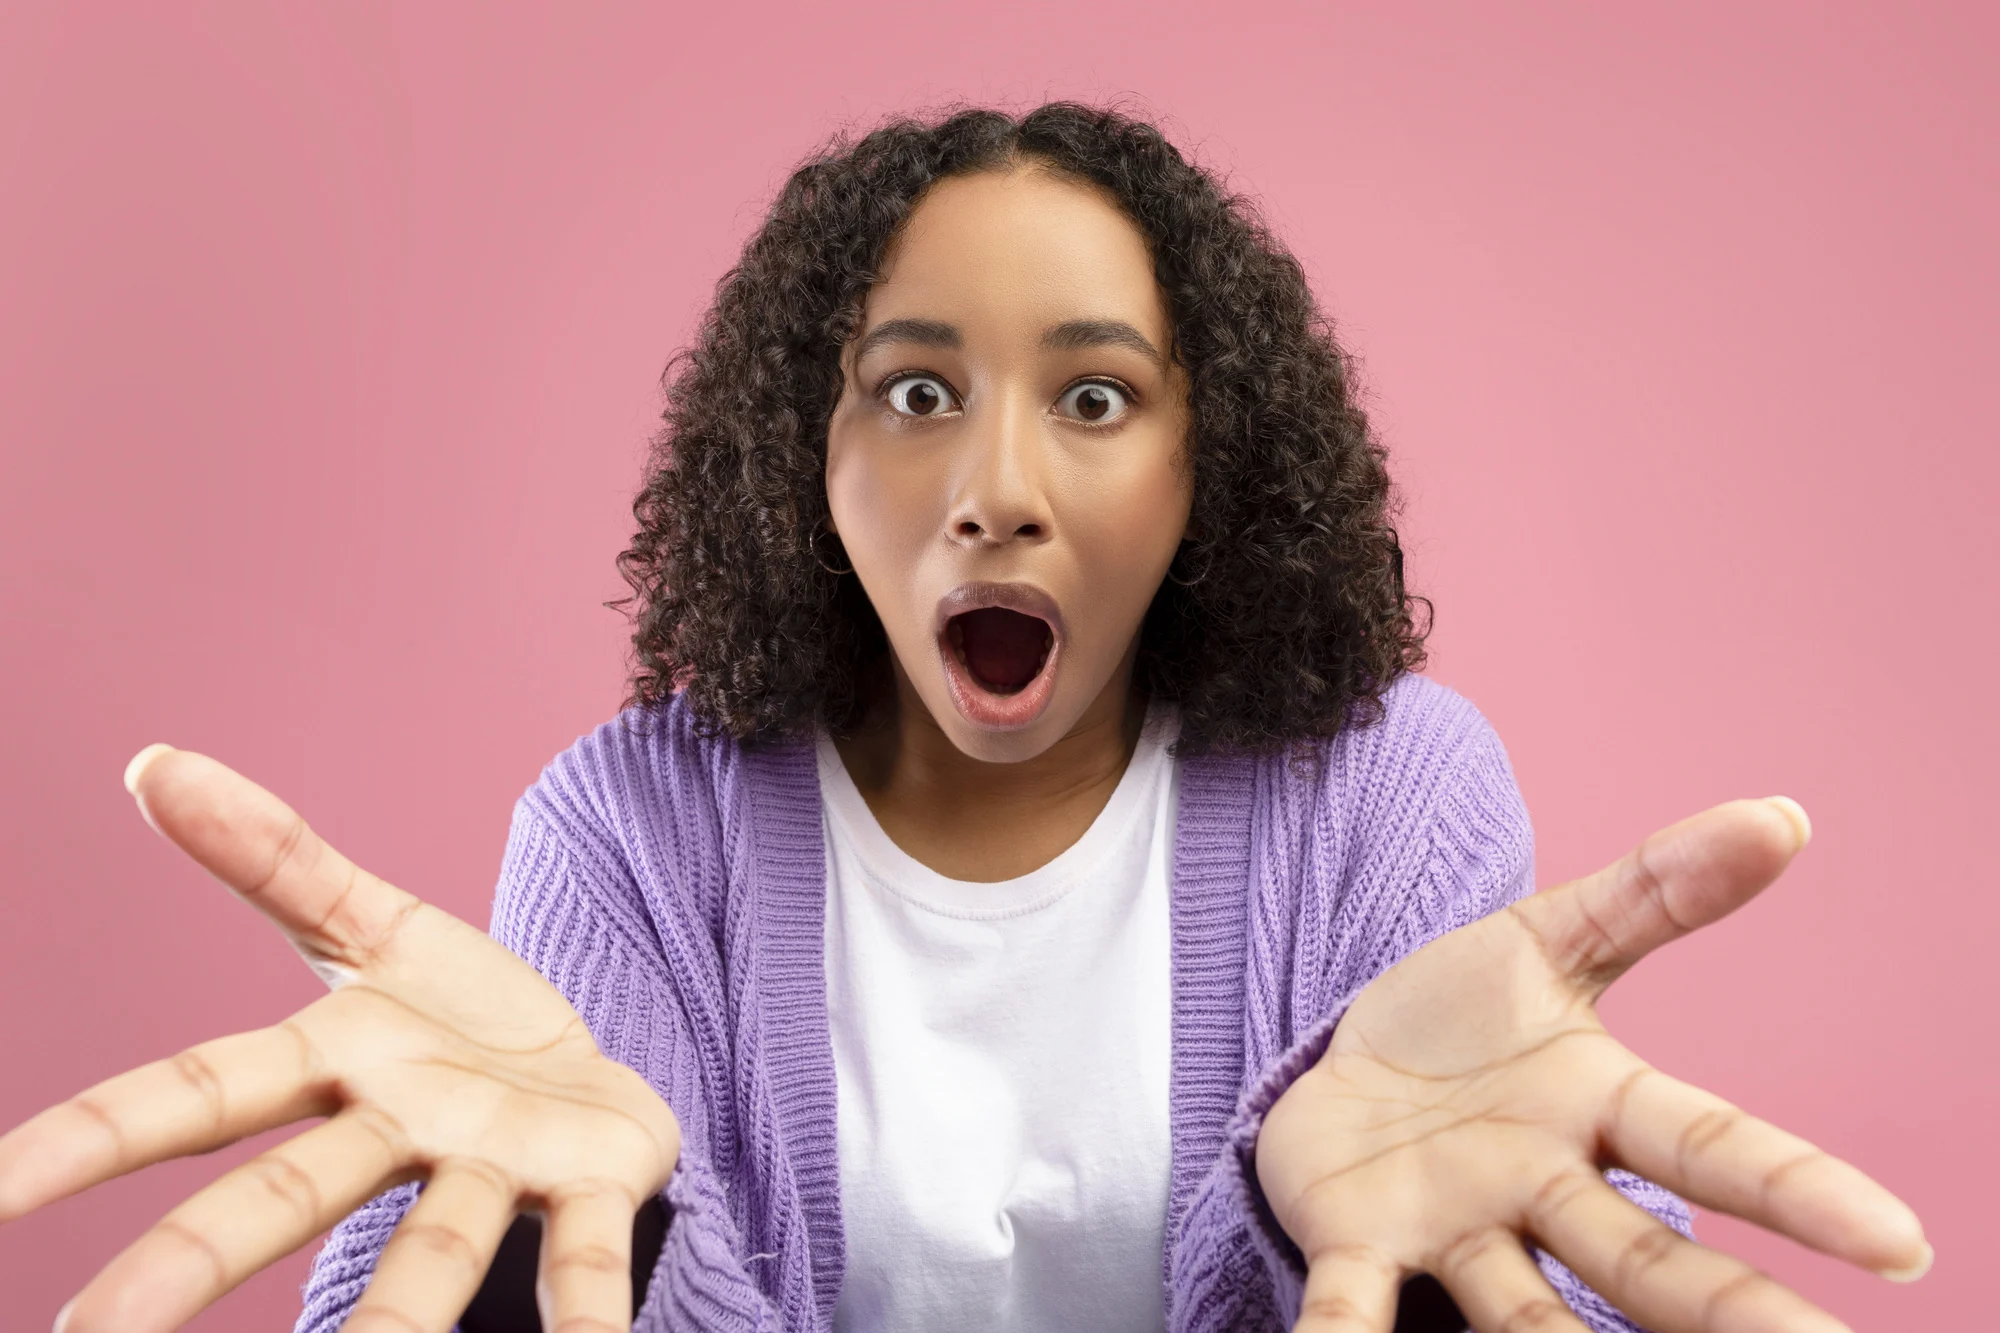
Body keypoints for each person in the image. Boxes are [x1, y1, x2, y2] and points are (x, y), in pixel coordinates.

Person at [0, 103, 1930, 1333]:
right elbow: (423, 1306)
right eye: (916, 392)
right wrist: (591, 1243)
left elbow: (1544, 1286)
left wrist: (1371, 1249)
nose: (995, 483)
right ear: (803, 458)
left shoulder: (1393, 796)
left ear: (1211, 466)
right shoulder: (627, 829)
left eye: (1095, 399)